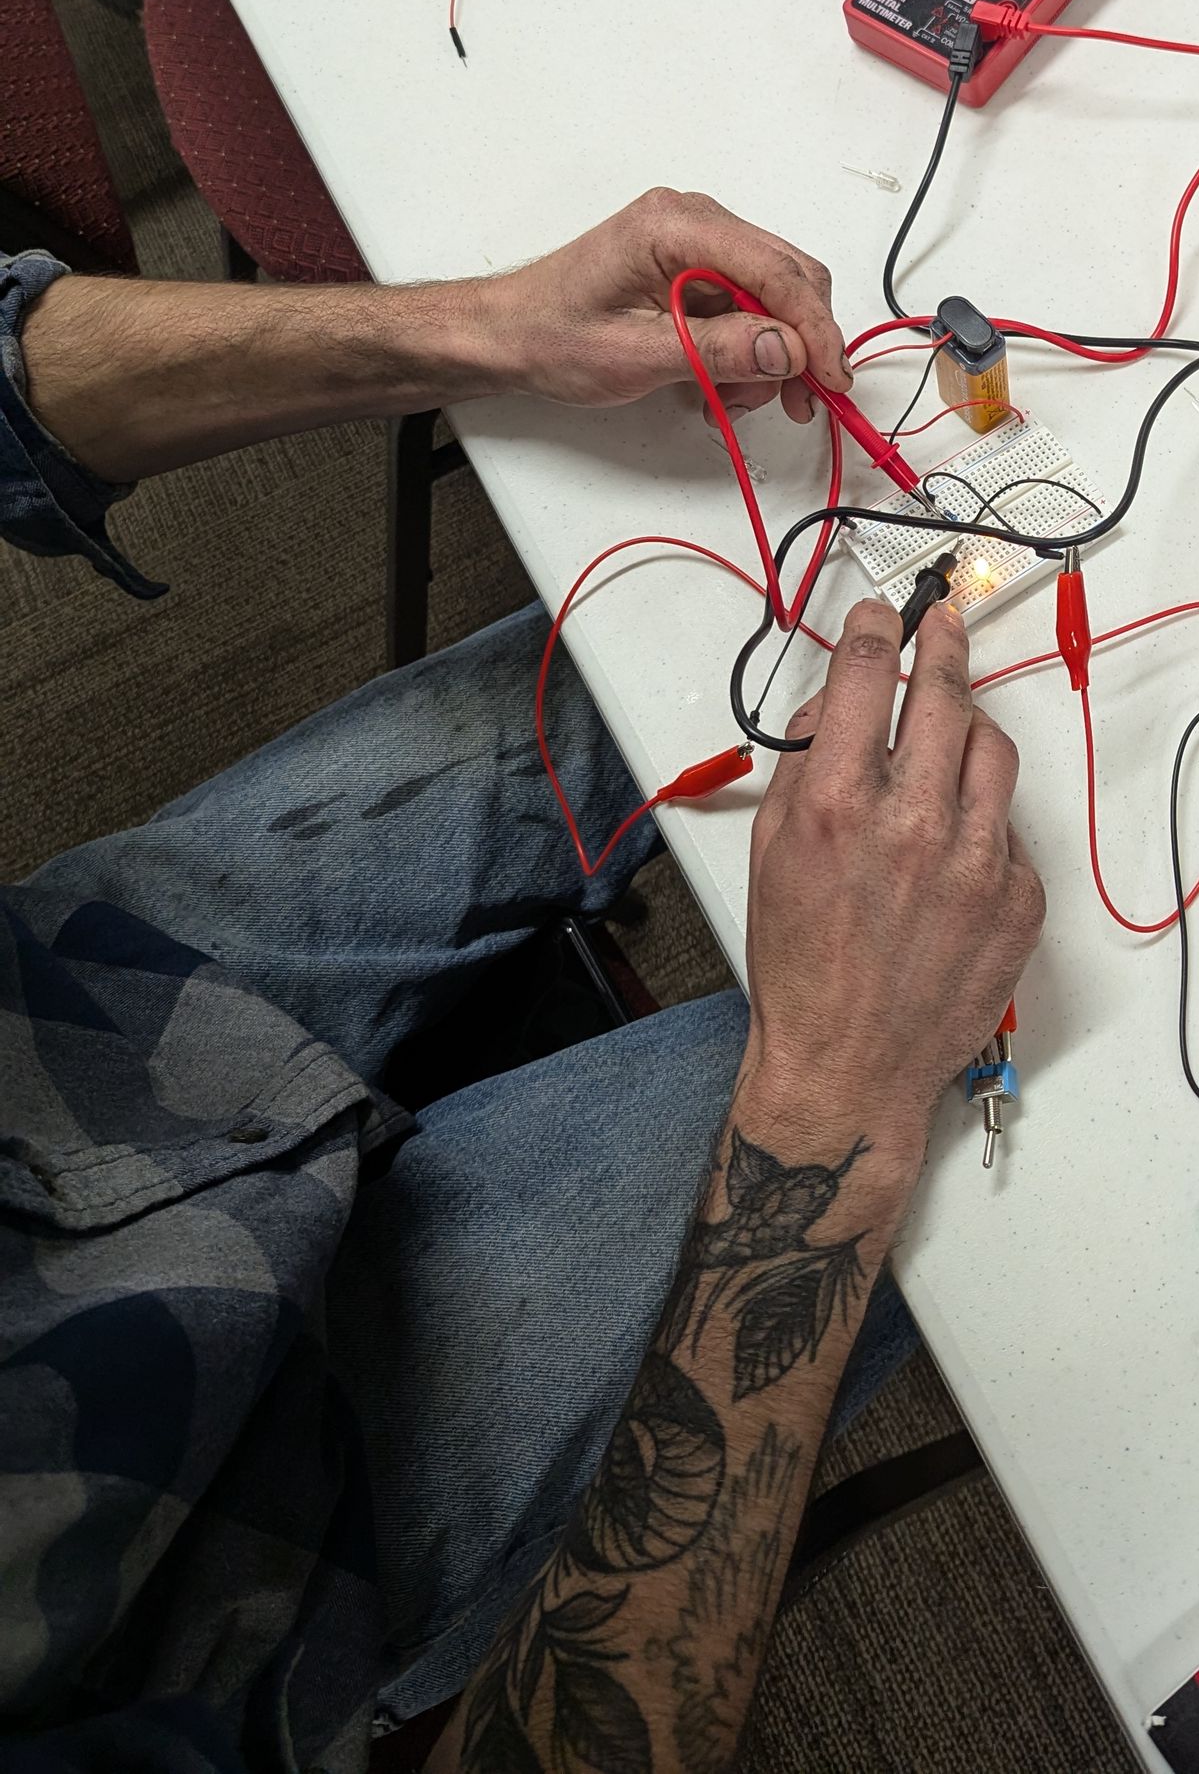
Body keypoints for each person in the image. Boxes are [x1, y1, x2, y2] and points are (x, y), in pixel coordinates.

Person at [0, 186, 1046, 1774]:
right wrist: (828, 1108)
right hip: (251, 1551)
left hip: (71, 1023)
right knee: (1008, 1039)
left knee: (714, 633)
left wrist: (482, 325)